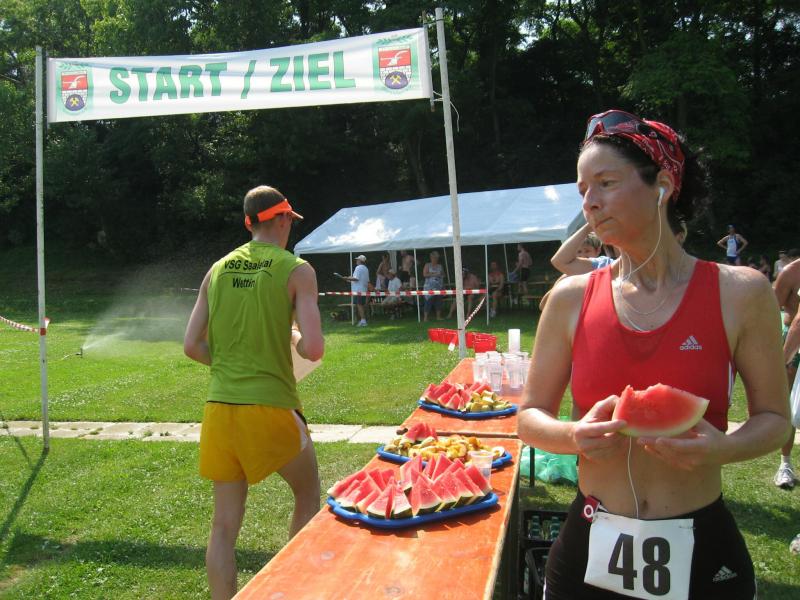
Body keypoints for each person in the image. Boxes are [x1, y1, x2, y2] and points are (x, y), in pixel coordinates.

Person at [518, 110, 789, 599]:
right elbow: (529, 417)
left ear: (662, 185)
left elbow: (774, 418)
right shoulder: (569, 297)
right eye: (583, 190)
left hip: (702, 546)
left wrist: (724, 448)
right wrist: (574, 435)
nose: (590, 202)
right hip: (588, 545)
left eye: (605, 183)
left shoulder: (741, 292)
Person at [183, 185, 324, 600]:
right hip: (271, 407)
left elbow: (192, 346)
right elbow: (314, 348)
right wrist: (295, 341)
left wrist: (234, 365)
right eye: (290, 221)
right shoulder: (297, 270)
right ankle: (297, 592)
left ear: (249, 223)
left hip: (220, 410)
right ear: (283, 219)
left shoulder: (217, 269)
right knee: (307, 493)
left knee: (223, 526)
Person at [772, 249, 800, 488]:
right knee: (789, 404)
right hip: (793, 342)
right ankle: (785, 464)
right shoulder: (791, 272)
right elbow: (769, 311)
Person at [338, 255, 370, 326]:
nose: (356, 261)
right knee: (360, 305)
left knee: (359, 305)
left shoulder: (358, 268)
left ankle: (363, 320)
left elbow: (356, 278)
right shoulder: (366, 268)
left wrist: (347, 278)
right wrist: (348, 279)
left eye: (357, 260)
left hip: (358, 290)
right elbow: (362, 280)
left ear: (360, 261)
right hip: (363, 289)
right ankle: (362, 320)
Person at [422, 250, 445, 321]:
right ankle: (425, 318)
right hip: (429, 287)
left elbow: (443, 275)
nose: (435, 259)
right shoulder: (427, 265)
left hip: (439, 286)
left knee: (439, 301)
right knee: (428, 301)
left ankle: (438, 317)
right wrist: (433, 274)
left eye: (436, 258)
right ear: (431, 257)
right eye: (434, 257)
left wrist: (441, 275)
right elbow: (424, 274)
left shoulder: (440, 266)